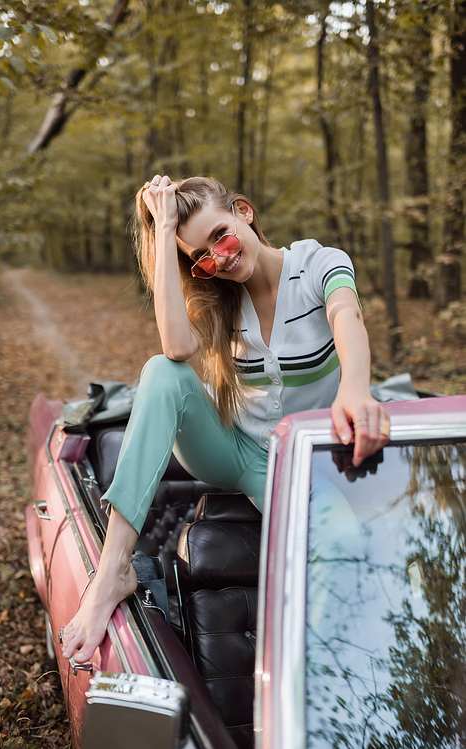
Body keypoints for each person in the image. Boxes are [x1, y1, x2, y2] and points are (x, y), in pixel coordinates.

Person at [62, 174, 390, 663]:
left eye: (220, 235)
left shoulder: (320, 263)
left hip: (300, 464)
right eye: (201, 256)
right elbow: (176, 349)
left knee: (339, 536)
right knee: (161, 371)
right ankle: (114, 569)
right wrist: (163, 228)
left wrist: (354, 387)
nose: (220, 257)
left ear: (245, 211)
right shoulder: (218, 297)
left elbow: (348, 316)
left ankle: (312, 682)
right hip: (234, 452)